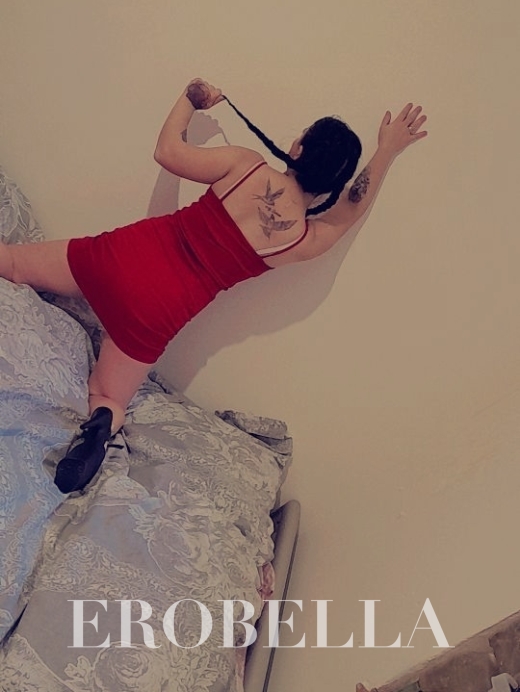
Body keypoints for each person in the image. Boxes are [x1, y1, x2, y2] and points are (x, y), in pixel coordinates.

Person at [0, 78, 427, 493]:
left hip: (125, 257)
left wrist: (191, 98)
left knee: (15, 263)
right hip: (160, 310)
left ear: (299, 147)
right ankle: (97, 431)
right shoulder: (302, 239)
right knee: (107, 397)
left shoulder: (246, 165)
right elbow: (350, 209)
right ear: (333, 184)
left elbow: (167, 152)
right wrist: (387, 150)